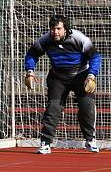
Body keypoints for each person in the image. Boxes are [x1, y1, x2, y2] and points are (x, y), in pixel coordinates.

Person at [24, 14, 102, 154]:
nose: (55, 32)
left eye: (58, 28)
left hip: (82, 76)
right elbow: (32, 54)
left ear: (65, 29)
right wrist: (30, 71)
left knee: (87, 106)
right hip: (58, 77)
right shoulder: (46, 39)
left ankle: (90, 140)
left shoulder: (79, 38)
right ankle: (46, 143)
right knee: (53, 108)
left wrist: (91, 76)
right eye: (52, 28)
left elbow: (95, 56)